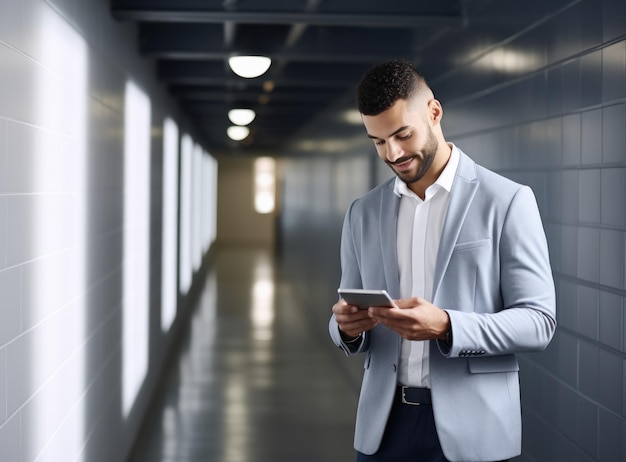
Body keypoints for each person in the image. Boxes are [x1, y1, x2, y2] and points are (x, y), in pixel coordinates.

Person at [329, 59, 556, 462]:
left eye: (402, 134)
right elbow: (345, 315)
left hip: (476, 432)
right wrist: (345, 328)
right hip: (383, 429)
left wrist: (449, 325)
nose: (393, 153)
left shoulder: (506, 201)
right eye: (378, 141)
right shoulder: (361, 213)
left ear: (434, 112)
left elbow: (539, 322)